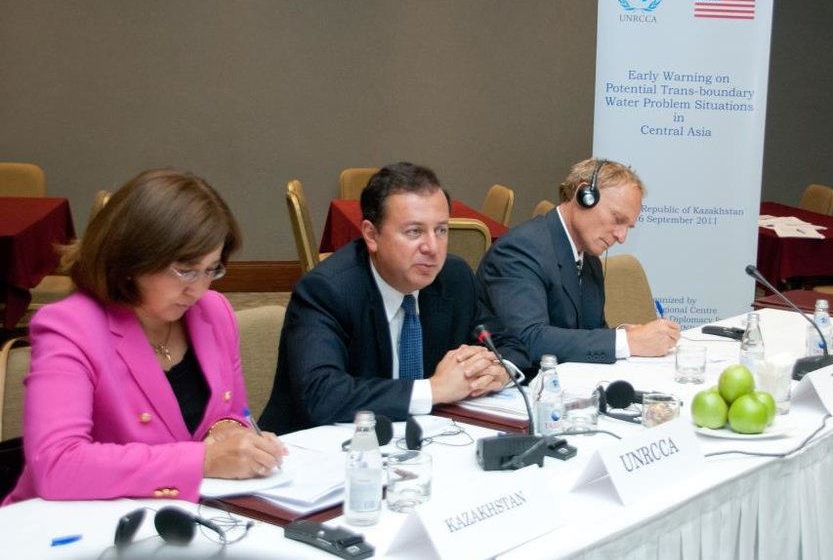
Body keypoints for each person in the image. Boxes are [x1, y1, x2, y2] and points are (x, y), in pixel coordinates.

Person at [2, 170, 285, 506]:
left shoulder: (214, 312)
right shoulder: (70, 327)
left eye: (212, 269)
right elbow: (57, 465)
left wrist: (230, 431)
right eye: (185, 270)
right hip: (78, 522)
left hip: (182, 515)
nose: (198, 289)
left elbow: (232, 411)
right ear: (131, 261)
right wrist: (202, 461)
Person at [260, 162, 528, 434]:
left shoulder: (454, 278)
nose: (432, 248)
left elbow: (511, 346)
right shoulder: (327, 291)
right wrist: (434, 389)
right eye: (414, 232)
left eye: (441, 230)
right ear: (371, 235)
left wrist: (500, 369)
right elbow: (321, 394)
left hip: (426, 442)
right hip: (321, 448)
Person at [477, 157, 680, 365]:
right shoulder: (521, 249)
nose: (622, 237)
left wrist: (624, 334)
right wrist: (627, 341)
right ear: (585, 196)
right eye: (618, 219)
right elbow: (528, 340)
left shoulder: (589, 258)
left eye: (628, 227)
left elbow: (587, 332)